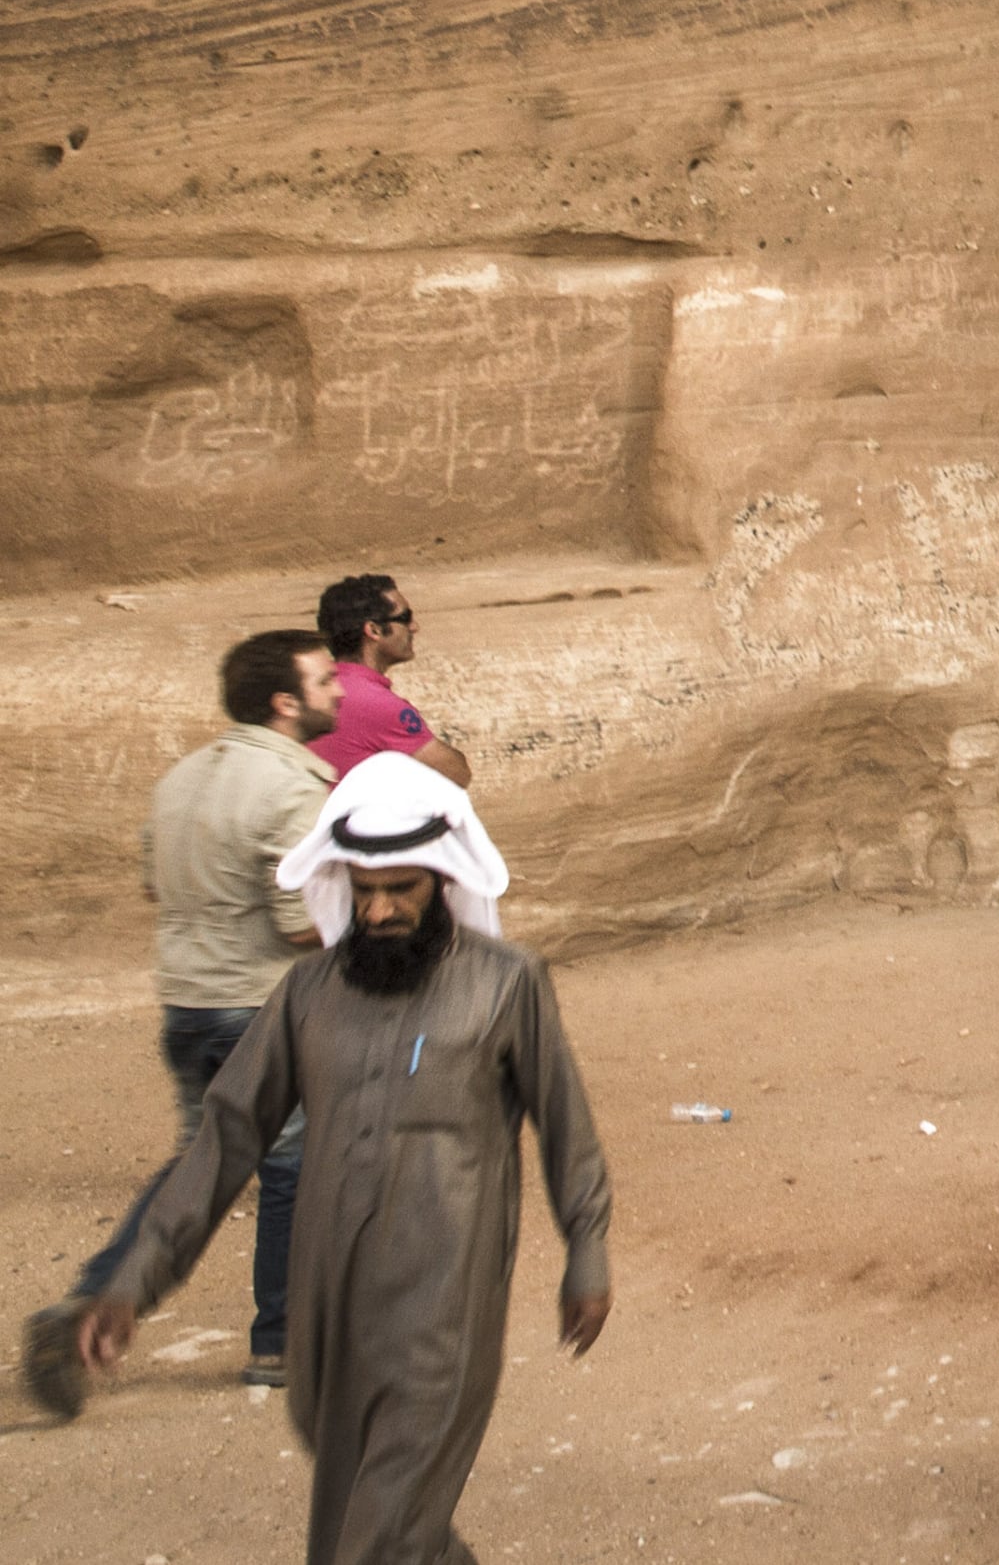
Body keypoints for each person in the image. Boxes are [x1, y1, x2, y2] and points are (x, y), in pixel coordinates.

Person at [76, 751, 611, 1565]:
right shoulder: (308, 994)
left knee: (374, 1538)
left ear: (443, 879)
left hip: (445, 1301)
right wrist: (133, 1280)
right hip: (326, 1306)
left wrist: (587, 1248)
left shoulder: (507, 984)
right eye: (363, 890)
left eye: (401, 888)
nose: (380, 909)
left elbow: (566, 1123)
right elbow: (225, 1138)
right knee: (372, 1519)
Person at [22, 629, 339, 1415]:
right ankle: (281, 1342)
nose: (338, 690)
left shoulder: (181, 777)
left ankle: (91, 1302)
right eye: (325, 680)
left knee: (198, 1168)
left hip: (190, 1004)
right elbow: (299, 921)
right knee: (293, 1167)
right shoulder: (294, 787)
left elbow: (154, 886)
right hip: (261, 1007)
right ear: (285, 701)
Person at [308, 573, 473, 784]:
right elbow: (455, 774)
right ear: (374, 630)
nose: (414, 627)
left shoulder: (311, 686)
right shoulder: (376, 703)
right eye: (404, 618)